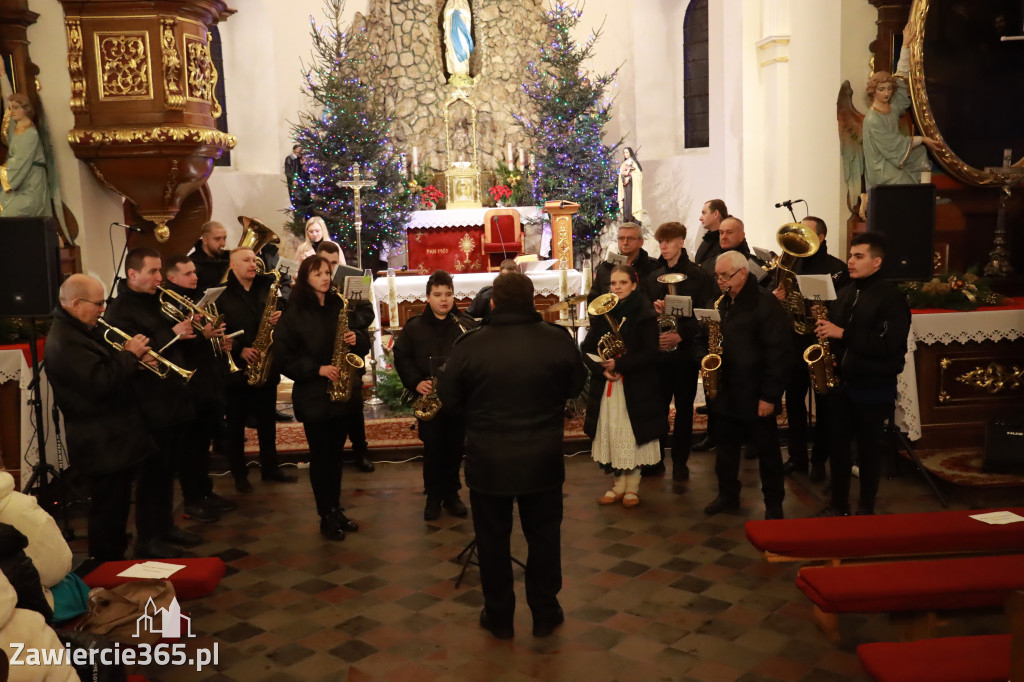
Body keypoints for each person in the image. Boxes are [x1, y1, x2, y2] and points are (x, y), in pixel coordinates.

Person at [440, 272, 586, 639]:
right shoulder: (556, 339)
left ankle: (500, 616)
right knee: (544, 537)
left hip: (489, 462)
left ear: (492, 303)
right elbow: (575, 384)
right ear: (533, 300)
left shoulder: (470, 345)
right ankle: (545, 612)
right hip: (542, 460)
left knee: (492, 541)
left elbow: (451, 400)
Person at [45, 274, 153, 561]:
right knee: (107, 511)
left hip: (111, 437)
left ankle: (114, 559)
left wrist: (137, 364)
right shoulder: (66, 340)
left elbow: (105, 368)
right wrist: (129, 356)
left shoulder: (80, 331)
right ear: (77, 303)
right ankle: (106, 569)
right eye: (99, 303)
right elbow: (99, 383)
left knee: (115, 509)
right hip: (100, 441)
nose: (103, 309)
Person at [104, 248, 203, 557]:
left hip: (172, 398)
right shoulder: (120, 311)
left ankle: (164, 527)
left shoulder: (157, 300)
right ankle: (148, 538)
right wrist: (172, 332)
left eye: (161, 271)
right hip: (148, 404)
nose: (159, 278)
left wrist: (191, 329)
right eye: (153, 272)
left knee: (167, 469)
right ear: (133, 274)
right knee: (151, 475)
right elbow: (137, 352)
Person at [815, 232, 911, 517]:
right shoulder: (847, 291)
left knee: (869, 450)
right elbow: (837, 334)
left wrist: (842, 333)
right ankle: (839, 505)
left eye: (859, 256)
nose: (851, 262)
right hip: (843, 384)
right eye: (850, 256)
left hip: (872, 385)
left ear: (877, 262)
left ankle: (866, 507)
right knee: (839, 448)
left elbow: (888, 345)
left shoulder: (891, 297)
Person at [275, 256, 369, 540]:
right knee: (321, 457)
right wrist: (317, 369)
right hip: (314, 394)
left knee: (336, 457)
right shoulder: (294, 313)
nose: (326, 278)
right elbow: (283, 357)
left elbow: (362, 340)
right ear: (306, 278)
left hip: (342, 395)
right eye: (318, 274)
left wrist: (356, 339)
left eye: (327, 273)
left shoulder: (339, 305)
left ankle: (335, 508)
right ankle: (325, 515)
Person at [704, 251, 792, 520]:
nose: (720, 281)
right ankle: (728, 494)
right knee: (726, 450)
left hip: (756, 392)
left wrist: (769, 396)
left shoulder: (765, 303)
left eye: (724, 276)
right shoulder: (722, 302)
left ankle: (774, 503)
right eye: (717, 275)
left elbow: (778, 353)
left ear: (742, 273)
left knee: (767, 451)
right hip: (727, 390)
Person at [393, 270, 476, 520]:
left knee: (454, 448)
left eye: (448, 294)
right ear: (427, 297)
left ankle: (452, 494)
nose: (444, 300)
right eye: (438, 294)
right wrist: (415, 382)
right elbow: (402, 357)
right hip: (429, 399)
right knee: (433, 448)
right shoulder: (415, 327)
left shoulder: (465, 325)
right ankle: (433, 496)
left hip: (456, 400)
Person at [582, 265, 667, 508]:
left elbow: (650, 352)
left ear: (633, 284)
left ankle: (633, 487)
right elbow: (587, 348)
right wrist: (602, 368)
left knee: (632, 434)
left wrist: (620, 363)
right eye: (613, 284)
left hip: (636, 385)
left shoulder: (644, 312)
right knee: (613, 431)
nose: (616, 288)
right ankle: (618, 486)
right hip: (611, 383)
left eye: (622, 283)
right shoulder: (602, 313)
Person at [162, 255, 238, 522]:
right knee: (190, 446)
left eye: (194, 272)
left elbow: (200, 341)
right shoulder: (168, 303)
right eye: (188, 274)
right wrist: (203, 336)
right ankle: (193, 498)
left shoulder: (192, 299)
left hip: (207, 382)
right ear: (171, 278)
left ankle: (205, 493)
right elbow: (176, 347)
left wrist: (218, 343)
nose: (194, 277)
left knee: (202, 443)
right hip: (189, 386)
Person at [775, 217, 849, 481]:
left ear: (821, 237)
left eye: (806, 233)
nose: (799, 237)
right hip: (795, 342)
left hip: (822, 343)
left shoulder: (837, 269)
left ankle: (819, 459)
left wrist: (823, 309)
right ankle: (797, 458)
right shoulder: (792, 263)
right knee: (794, 402)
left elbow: (844, 309)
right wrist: (782, 299)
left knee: (825, 404)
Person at [217, 247, 296, 492]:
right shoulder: (222, 294)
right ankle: (239, 474)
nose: (253, 264)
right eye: (246, 260)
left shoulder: (267, 287)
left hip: (266, 362)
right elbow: (218, 330)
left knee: (267, 421)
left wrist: (278, 318)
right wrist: (240, 349)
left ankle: (270, 468)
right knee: (235, 424)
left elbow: (284, 312)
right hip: (237, 367)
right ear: (232, 265)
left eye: (254, 259)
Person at [645, 222, 717, 480]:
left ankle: (680, 462)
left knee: (685, 409)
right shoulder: (654, 276)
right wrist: (654, 313)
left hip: (685, 353)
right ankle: (655, 460)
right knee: (658, 407)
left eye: (668, 241)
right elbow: (643, 313)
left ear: (681, 242)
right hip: (660, 352)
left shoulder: (698, 276)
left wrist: (681, 334)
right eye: (660, 241)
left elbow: (706, 315)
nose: (663, 246)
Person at [316, 241, 376, 473]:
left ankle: (361, 450)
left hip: (349, 350)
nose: (330, 269)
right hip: (323, 356)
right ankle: (332, 453)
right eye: (325, 264)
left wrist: (348, 326)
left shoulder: (351, 281)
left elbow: (367, 312)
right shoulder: (313, 284)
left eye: (334, 263)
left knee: (353, 404)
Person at [862, 22, 938, 189]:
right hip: (881, 165)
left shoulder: (892, 106)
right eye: (881, 89)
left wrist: (905, 45)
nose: (886, 93)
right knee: (906, 184)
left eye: (889, 89)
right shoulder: (873, 119)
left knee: (920, 154)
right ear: (873, 92)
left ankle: (923, 193)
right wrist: (923, 138)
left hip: (896, 155)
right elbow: (894, 145)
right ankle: (915, 197)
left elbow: (901, 73)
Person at [0, 93, 48, 217]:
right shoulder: (15, 129)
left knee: (8, 214)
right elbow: (8, 96)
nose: (12, 111)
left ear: (25, 109)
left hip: (31, 185)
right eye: (10, 108)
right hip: (18, 181)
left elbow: (20, 161)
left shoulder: (30, 133)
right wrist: (3, 76)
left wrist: (3, 171)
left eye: (16, 108)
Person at [589, 222, 658, 302]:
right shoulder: (605, 268)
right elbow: (593, 301)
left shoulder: (654, 268)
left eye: (631, 238)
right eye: (621, 238)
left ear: (641, 242)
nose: (625, 242)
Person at [189, 220, 230, 291]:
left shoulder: (227, 258)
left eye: (224, 238)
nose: (223, 244)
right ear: (205, 240)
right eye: (217, 239)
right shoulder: (192, 265)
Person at [443, 0, 474, 80]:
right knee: (452, 48)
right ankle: (455, 71)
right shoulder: (450, 2)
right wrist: (452, 11)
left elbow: (468, 14)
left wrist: (460, 10)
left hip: (462, 27)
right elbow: (446, 15)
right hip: (452, 28)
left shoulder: (464, 2)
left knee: (463, 46)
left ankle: (464, 72)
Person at [694, 199, 728, 268]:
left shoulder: (730, 240)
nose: (700, 218)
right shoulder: (708, 238)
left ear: (715, 214)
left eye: (704, 213)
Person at [617, 147, 643, 223]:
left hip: (632, 187)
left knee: (631, 203)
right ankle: (627, 218)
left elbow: (639, 174)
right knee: (626, 203)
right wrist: (622, 176)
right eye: (624, 152)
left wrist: (630, 178)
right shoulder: (624, 164)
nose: (625, 154)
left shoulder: (633, 163)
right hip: (625, 186)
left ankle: (632, 219)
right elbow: (621, 173)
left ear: (630, 153)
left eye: (626, 152)